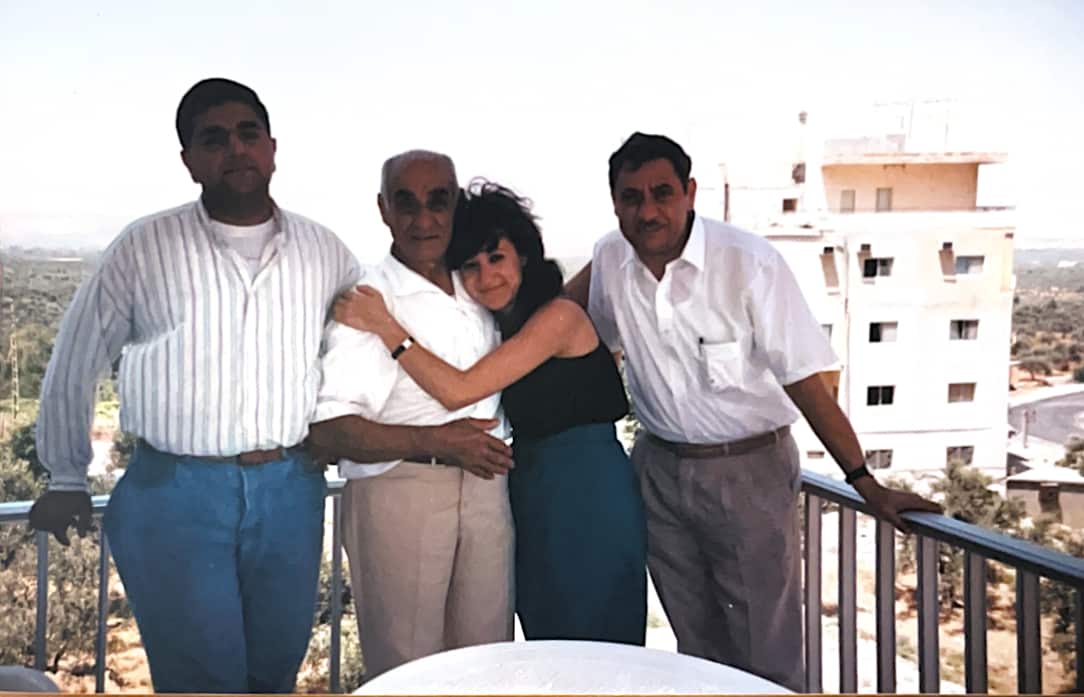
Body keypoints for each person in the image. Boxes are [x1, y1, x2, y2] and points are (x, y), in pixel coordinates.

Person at [565, 132, 943, 691]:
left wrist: (864, 480)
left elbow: (807, 384)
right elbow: (569, 328)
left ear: (690, 193)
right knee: (694, 642)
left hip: (748, 473)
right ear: (615, 201)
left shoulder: (748, 264)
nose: (648, 210)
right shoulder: (610, 259)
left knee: (765, 647)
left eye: (662, 193)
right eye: (631, 197)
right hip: (658, 470)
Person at [28, 78, 359, 693]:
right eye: (213, 138)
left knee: (274, 675)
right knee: (201, 680)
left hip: (290, 490)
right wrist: (66, 475)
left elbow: (354, 354)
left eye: (247, 133)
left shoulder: (327, 252)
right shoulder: (144, 247)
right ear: (189, 161)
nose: (235, 149)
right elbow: (76, 359)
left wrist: (342, 427)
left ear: (272, 147)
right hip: (175, 495)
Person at [333, 179, 648, 646]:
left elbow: (459, 391)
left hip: (586, 494)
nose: (486, 277)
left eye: (496, 258)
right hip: (531, 491)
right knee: (548, 639)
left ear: (522, 254)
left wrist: (386, 327)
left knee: (595, 642)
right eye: (471, 267)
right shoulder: (507, 321)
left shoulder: (557, 318)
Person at [307, 153, 517, 681]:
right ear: (383, 210)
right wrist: (439, 441)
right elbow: (331, 428)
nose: (423, 220)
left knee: (485, 664)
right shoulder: (371, 299)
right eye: (406, 202)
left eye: (438, 201)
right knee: (410, 669)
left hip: (487, 488)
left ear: (456, 204)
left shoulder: (476, 283)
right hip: (401, 491)